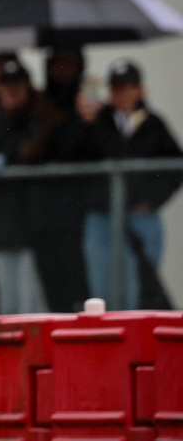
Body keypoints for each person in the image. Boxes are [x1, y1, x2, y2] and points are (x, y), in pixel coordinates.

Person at [82, 60, 183, 307]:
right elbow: (75, 156)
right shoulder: (97, 121)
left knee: (136, 290)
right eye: (115, 87)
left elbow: (175, 167)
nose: (121, 93)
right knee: (101, 294)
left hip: (140, 216)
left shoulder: (153, 124)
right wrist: (84, 121)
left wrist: (152, 199)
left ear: (139, 89)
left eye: (127, 86)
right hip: (103, 215)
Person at [0, 59, 48, 314]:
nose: (11, 91)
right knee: (7, 302)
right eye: (6, 86)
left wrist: (7, 158)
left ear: (27, 87)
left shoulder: (37, 119)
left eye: (16, 85)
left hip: (31, 227)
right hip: (1, 227)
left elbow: (34, 151)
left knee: (30, 303)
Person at [28, 46, 97, 312]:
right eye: (56, 63)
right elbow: (31, 152)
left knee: (82, 290)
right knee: (53, 291)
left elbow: (88, 151)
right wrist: (47, 124)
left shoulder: (88, 107)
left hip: (78, 213)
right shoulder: (39, 106)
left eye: (67, 63)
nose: (61, 70)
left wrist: (85, 122)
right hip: (43, 213)